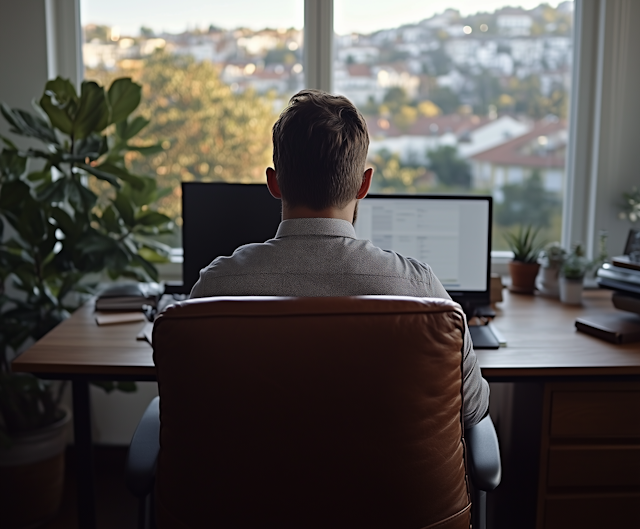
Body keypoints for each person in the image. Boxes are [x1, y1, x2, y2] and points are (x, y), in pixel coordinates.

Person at [190, 89, 489, 426]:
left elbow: (189, 405)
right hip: (383, 480)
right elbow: (472, 408)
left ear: (274, 183)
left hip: (249, 479)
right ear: (364, 185)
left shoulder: (214, 289)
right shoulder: (420, 290)